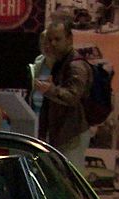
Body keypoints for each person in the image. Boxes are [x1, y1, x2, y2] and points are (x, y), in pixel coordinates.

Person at [32, 21, 90, 169]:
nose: (52, 44)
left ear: (69, 39)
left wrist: (50, 90)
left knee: (69, 177)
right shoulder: (59, 62)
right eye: (50, 40)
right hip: (61, 133)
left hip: (71, 133)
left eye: (57, 39)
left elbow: (72, 96)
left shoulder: (75, 65)